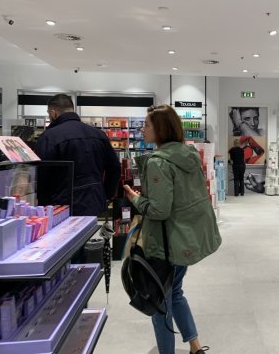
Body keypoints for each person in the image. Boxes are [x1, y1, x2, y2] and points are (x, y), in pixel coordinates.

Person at [123, 104, 221, 354]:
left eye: (147, 125)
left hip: (165, 243)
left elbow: (159, 210)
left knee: (159, 302)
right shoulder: (188, 155)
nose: (142, 129)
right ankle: (195, 346)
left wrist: (135, 198)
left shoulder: (158, 162)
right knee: (175, 292)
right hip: (184, 239)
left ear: (160, 129)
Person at [35, 94, 121, 215]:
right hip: (94, 202)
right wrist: (106, 194)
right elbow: (115, 168)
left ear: (53, 113)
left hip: (61, 207)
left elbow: (42, 174)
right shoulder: (99, 135)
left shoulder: (49, 137)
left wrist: (44, 204)